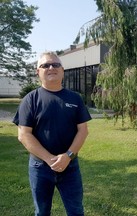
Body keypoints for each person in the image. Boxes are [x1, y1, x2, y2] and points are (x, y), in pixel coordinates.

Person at [13, 51, 92, 216]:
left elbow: (83, 130)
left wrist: (68, 156)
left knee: (76, 211)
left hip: (70, 166)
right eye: (45, 65)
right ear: (38, 72)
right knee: (41, 212)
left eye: (55, 65)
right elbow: (24, 135)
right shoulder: (30, 100)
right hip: (40, 167)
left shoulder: (75, 98)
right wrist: (50, 159)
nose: (51, 68)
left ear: (62, 70)